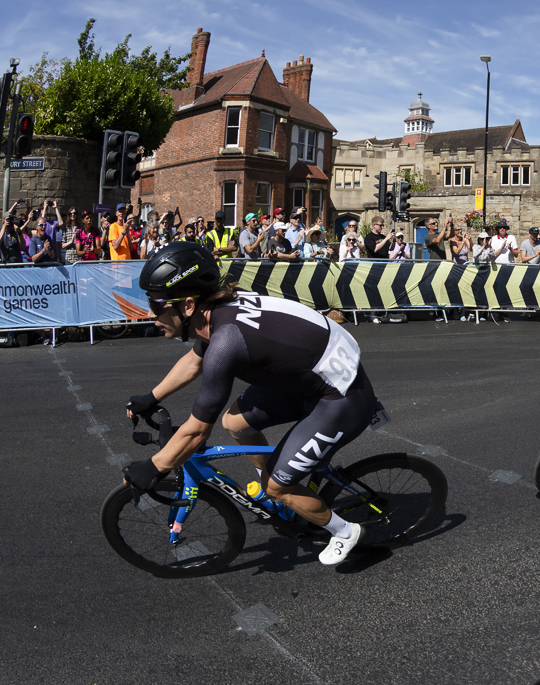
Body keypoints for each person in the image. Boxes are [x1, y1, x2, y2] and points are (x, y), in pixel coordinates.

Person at [122, 243, 380, 567]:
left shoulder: (225, 342)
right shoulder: (218, 313)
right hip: (313, 375)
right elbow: (193, 361)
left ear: (188, 305)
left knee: (276, 486)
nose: (151, 313)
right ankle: (280, 481)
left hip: (342, 397)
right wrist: (152, 397)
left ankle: (342, 530)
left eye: (156, 304)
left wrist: (154, 466)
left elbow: (197, 432)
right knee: (235, 423)